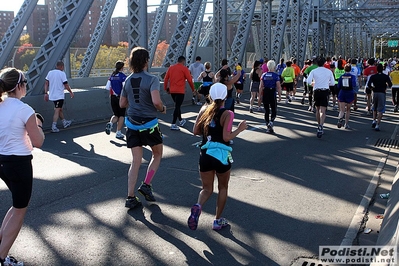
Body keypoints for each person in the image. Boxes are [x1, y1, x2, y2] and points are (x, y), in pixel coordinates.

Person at [0, 68, 45, 266]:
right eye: (25, 82)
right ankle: (1, 258)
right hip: (19, 163)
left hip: (2, 162)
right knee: (20, 210)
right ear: (19, 86)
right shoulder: (24, 110)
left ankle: (1, 248)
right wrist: (39, 125)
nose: (26, 85)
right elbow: (39, 141)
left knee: (16, 206)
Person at [188, 83, 247, 231]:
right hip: (221, 156)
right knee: (222, 187)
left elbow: (195, 131)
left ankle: (198, 206)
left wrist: (209, 131)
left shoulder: (203, 110)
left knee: (206, 188)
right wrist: (239, 130)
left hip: (206, 154)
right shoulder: (228, 114)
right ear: (225, 96)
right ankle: (217, 220)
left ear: (210, 95)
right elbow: (226, 137)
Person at [120, 47, 166, 209]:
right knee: (157, 154)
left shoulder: (127, 80)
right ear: (146, 61)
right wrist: (162, 108)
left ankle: (130, 196)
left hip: (132, 123)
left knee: (136, 161)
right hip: (149, 124)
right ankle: (146, 184)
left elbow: (122, 104)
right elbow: (156, 102)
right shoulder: (152, 79)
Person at [307, 56, 336, 138]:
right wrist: (326, 83)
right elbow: (333, 83)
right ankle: (321, 126)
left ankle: (318, 125)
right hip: (325, 91)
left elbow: (308, 81)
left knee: (317, 109)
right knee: (323, 110)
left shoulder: (313, 71)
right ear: (324, 63)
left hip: (316, 91)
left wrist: (313, 83)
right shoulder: (329, 71)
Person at [164, 56, 195, 131]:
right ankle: (173, 124)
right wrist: (193, 89)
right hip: (180, 91)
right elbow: (190, 80)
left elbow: (166, 78)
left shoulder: (171, 68)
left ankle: (181, 120)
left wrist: (166, 88)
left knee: (177, 105)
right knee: (177, 106)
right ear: (183, 61)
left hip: (172, 91)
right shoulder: (184, 69)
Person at [44, 61, 74, 133]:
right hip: (59, 95)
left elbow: (46, 83)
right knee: (57, 110)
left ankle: (64, 122)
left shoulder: (50, 72)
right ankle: (54, 126)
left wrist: (46, 93)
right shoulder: (62, 73)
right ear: (61, 66)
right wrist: (71, 92)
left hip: (52, 95)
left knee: (59, 109)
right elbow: (66, 84)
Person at [105, 60, 127, 139]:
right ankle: (118, 132)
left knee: (115, 115)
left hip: (112, 97)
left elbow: (107, 87)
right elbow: (125, 88)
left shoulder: (111, 76)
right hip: (120, 98)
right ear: (122, 68)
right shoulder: (123, 77)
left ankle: (110, 123)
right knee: (121, 115)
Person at [367, 63, 392, 131]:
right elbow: (390, 84)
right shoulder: (385, 77)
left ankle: (374, 120)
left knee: (374, 107)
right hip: (382, 92)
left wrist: (372, 88)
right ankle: (377, 124)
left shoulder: (373, 76)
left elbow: (369, 84)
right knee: (381, 109)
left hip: (375, 92)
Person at [259, 60, 282, 133]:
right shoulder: (276, 76)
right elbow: (278, 86)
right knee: (274, 109)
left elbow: (261, 86)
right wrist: (280, 95)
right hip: (272, 93)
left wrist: (259, 96)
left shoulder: (264, 75)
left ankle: (267, 124)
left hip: (265, 92)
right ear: (274, 67)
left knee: (266, 110)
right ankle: (271, 121)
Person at [336, 64, 357, 129]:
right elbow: (354, 84)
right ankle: (346, 124)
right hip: (350, 93)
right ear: (350, 69)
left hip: (342, 92)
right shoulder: (352, 76)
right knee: (348, 110)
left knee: (342, 110)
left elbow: (338, 86)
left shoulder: (341, 76)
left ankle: (340, 119)